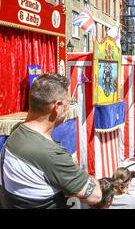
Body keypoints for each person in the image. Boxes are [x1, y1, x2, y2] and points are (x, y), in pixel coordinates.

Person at [0, 73, 101, 209]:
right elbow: (95, 196)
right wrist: (91, 179)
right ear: (57, 106)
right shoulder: (50, 154)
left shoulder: (17, 131)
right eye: (68, 103)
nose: (68, 108)